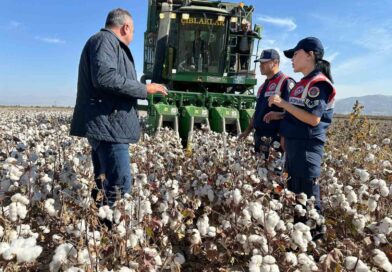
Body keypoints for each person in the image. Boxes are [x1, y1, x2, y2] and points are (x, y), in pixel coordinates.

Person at [70, 8, 168, 206]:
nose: (132, 36)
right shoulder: (104, 41)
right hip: (110, 128)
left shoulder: (107, 43)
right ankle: (111, 231)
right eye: (132, 31)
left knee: (105, 184)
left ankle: (101, 230)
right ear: (126, 27)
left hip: (109, 126)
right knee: (120, 189)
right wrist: (144, 88)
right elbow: (105, 78)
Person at [268, 37, 336, 211]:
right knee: (295, 197)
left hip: (307, 147)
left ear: (310, 55)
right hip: (294, 146)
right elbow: (299, 112)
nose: (292, 59)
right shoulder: (303, 83)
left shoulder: (318, 83)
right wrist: (281, 114)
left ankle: (315, 235)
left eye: (295, 54)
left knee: (308, 198)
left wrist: (283, 103)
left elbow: (313, 119)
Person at [239, 49, 295, 159]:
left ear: (275, 62)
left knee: (273, 173)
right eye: (260, 63)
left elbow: (293, 113)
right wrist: (246, 131)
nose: (260, 65)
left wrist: (284, 137)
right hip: (259, 137)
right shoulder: (262, 86)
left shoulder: (286, 82)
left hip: (275, 139)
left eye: (264, 62)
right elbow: (258, 111)